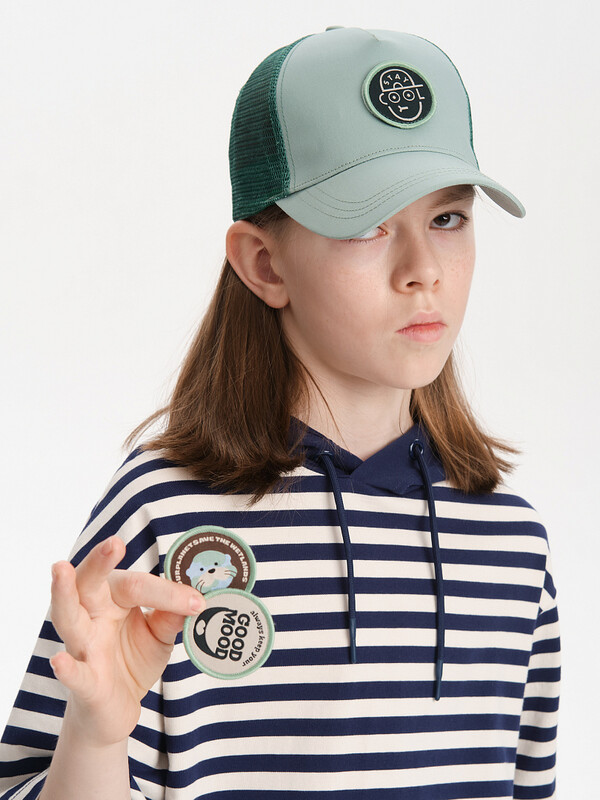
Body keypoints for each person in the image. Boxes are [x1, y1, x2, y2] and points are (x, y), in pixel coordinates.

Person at [0, 26, 560, 800]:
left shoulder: (512, 545)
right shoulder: (163, 516)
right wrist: (96, 737)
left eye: (447, 219)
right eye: (367, 225)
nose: (423, 271)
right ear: (265, 264)